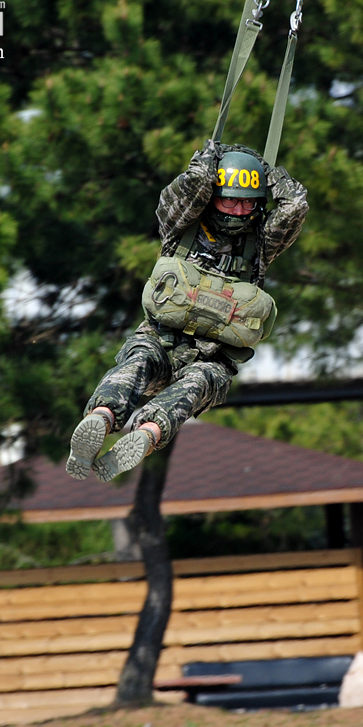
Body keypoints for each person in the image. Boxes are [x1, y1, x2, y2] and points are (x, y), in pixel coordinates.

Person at [65, 143, 308, 482]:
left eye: (248, 201)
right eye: (230, 199)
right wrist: (210, 158)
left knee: (197, 384)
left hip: (211, 358)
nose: (239, 210)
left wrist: (268, 173)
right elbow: (191, 185)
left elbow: (295, 204)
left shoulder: (261, 245)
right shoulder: (180, 226)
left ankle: (144, 437)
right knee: (136, 367)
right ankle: (101, 419)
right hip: (159, 341)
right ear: (213, 196)